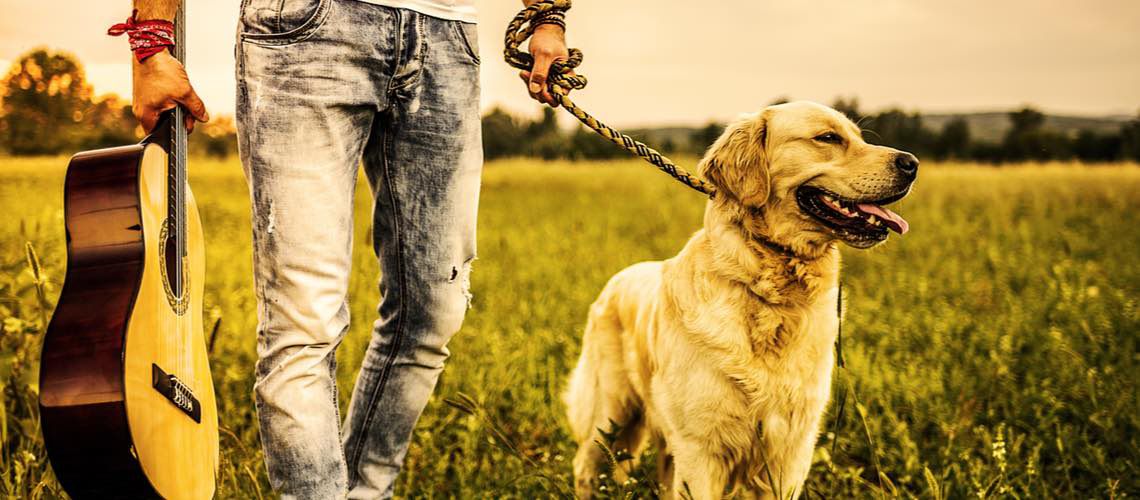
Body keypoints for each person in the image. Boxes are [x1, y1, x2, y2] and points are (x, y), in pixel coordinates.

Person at [125, 0, 570, 497]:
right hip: (306, 31)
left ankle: (365, 491)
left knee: (432, 313)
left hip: (447, 36)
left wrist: (547, 16)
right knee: (303, 326)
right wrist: (150, 41)